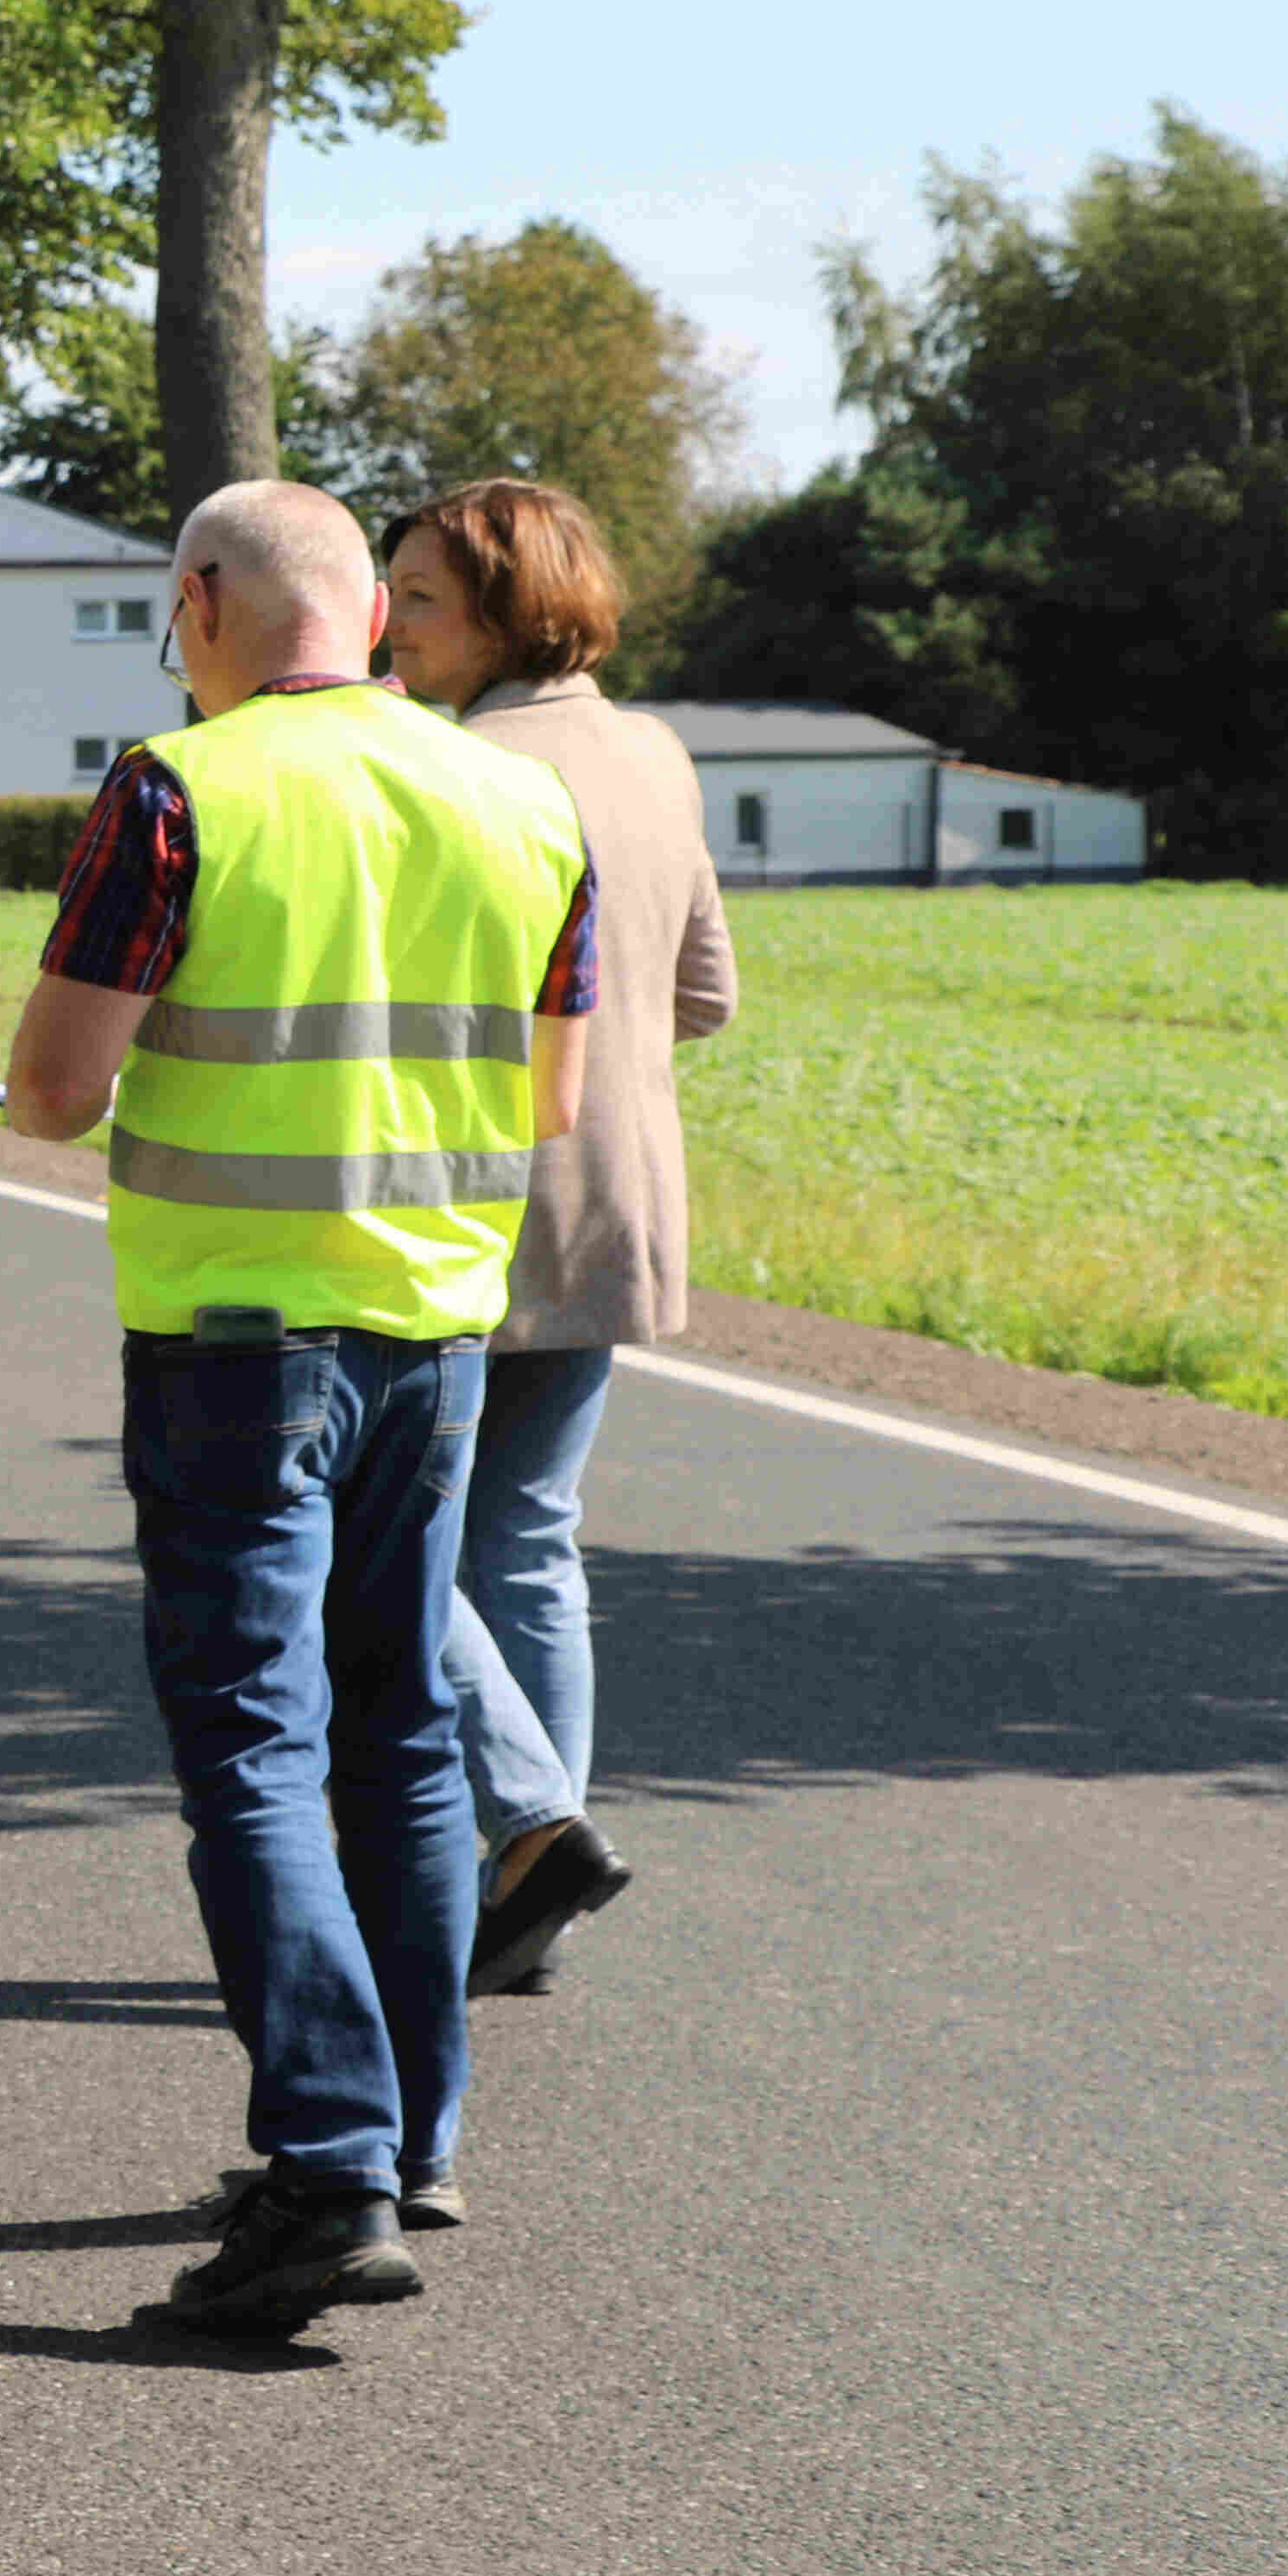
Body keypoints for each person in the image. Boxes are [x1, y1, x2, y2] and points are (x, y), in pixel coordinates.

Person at [0, 479, 594, 2342]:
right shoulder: (521, 801)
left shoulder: (177, 791)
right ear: (373, 614)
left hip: (235, 1342)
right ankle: (409, 2137)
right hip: (437, 1332)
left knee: (253, 1746)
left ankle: (326, 2170)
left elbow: (49, 1090)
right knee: (400, 1737)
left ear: (199, 602)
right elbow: (552, 1100)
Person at [380, 479, 738, 1994]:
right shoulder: (653, 752)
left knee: (378, 1532)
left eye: (419, 599)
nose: (390, 627)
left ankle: (531, 1824)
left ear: (506, 612)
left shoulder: (453, 770)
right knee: (526, 1539)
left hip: (463, 1208)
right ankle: (536, 1894)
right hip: (617, 1207)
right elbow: (706, 992)